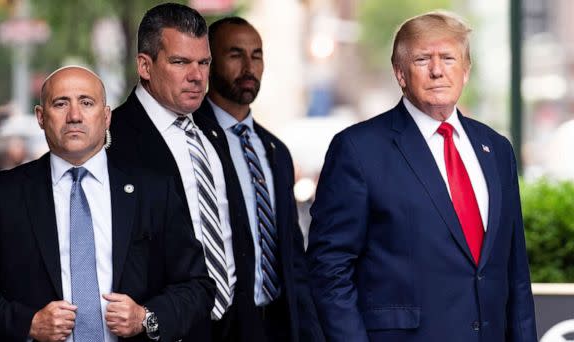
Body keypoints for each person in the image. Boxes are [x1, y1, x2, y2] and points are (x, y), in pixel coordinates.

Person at [307, 11, 537, 341]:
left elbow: (515, 272)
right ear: (400, 73)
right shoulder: (358, 149)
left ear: (466, 71)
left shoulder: (497, 149)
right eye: (422, 59)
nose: (437, 70)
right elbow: (329, 268)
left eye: (448, 58)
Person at [0, 66, 215, 342]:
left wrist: (145, 317)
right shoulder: (1, 195)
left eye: (86, 103)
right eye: (60, 104)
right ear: (40, 117)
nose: (74, 116)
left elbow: (197, 287)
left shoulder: (154, 191)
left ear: (106, 117)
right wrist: (29, 324)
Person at [109, 4, 259, 341]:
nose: (197, 75)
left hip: (236, 325)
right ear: (145, 65)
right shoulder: (111, 141)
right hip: (162, 328)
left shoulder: (214, 131)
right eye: (180, 62)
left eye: (203, 63)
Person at [192, 17, 324, 342]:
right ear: (209, 63)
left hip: (278, 324)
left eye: (257, 55)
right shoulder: (189, 142)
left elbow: (293, 254)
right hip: (219, 326)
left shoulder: (275, 149)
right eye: (235, 55)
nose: (249, 67)